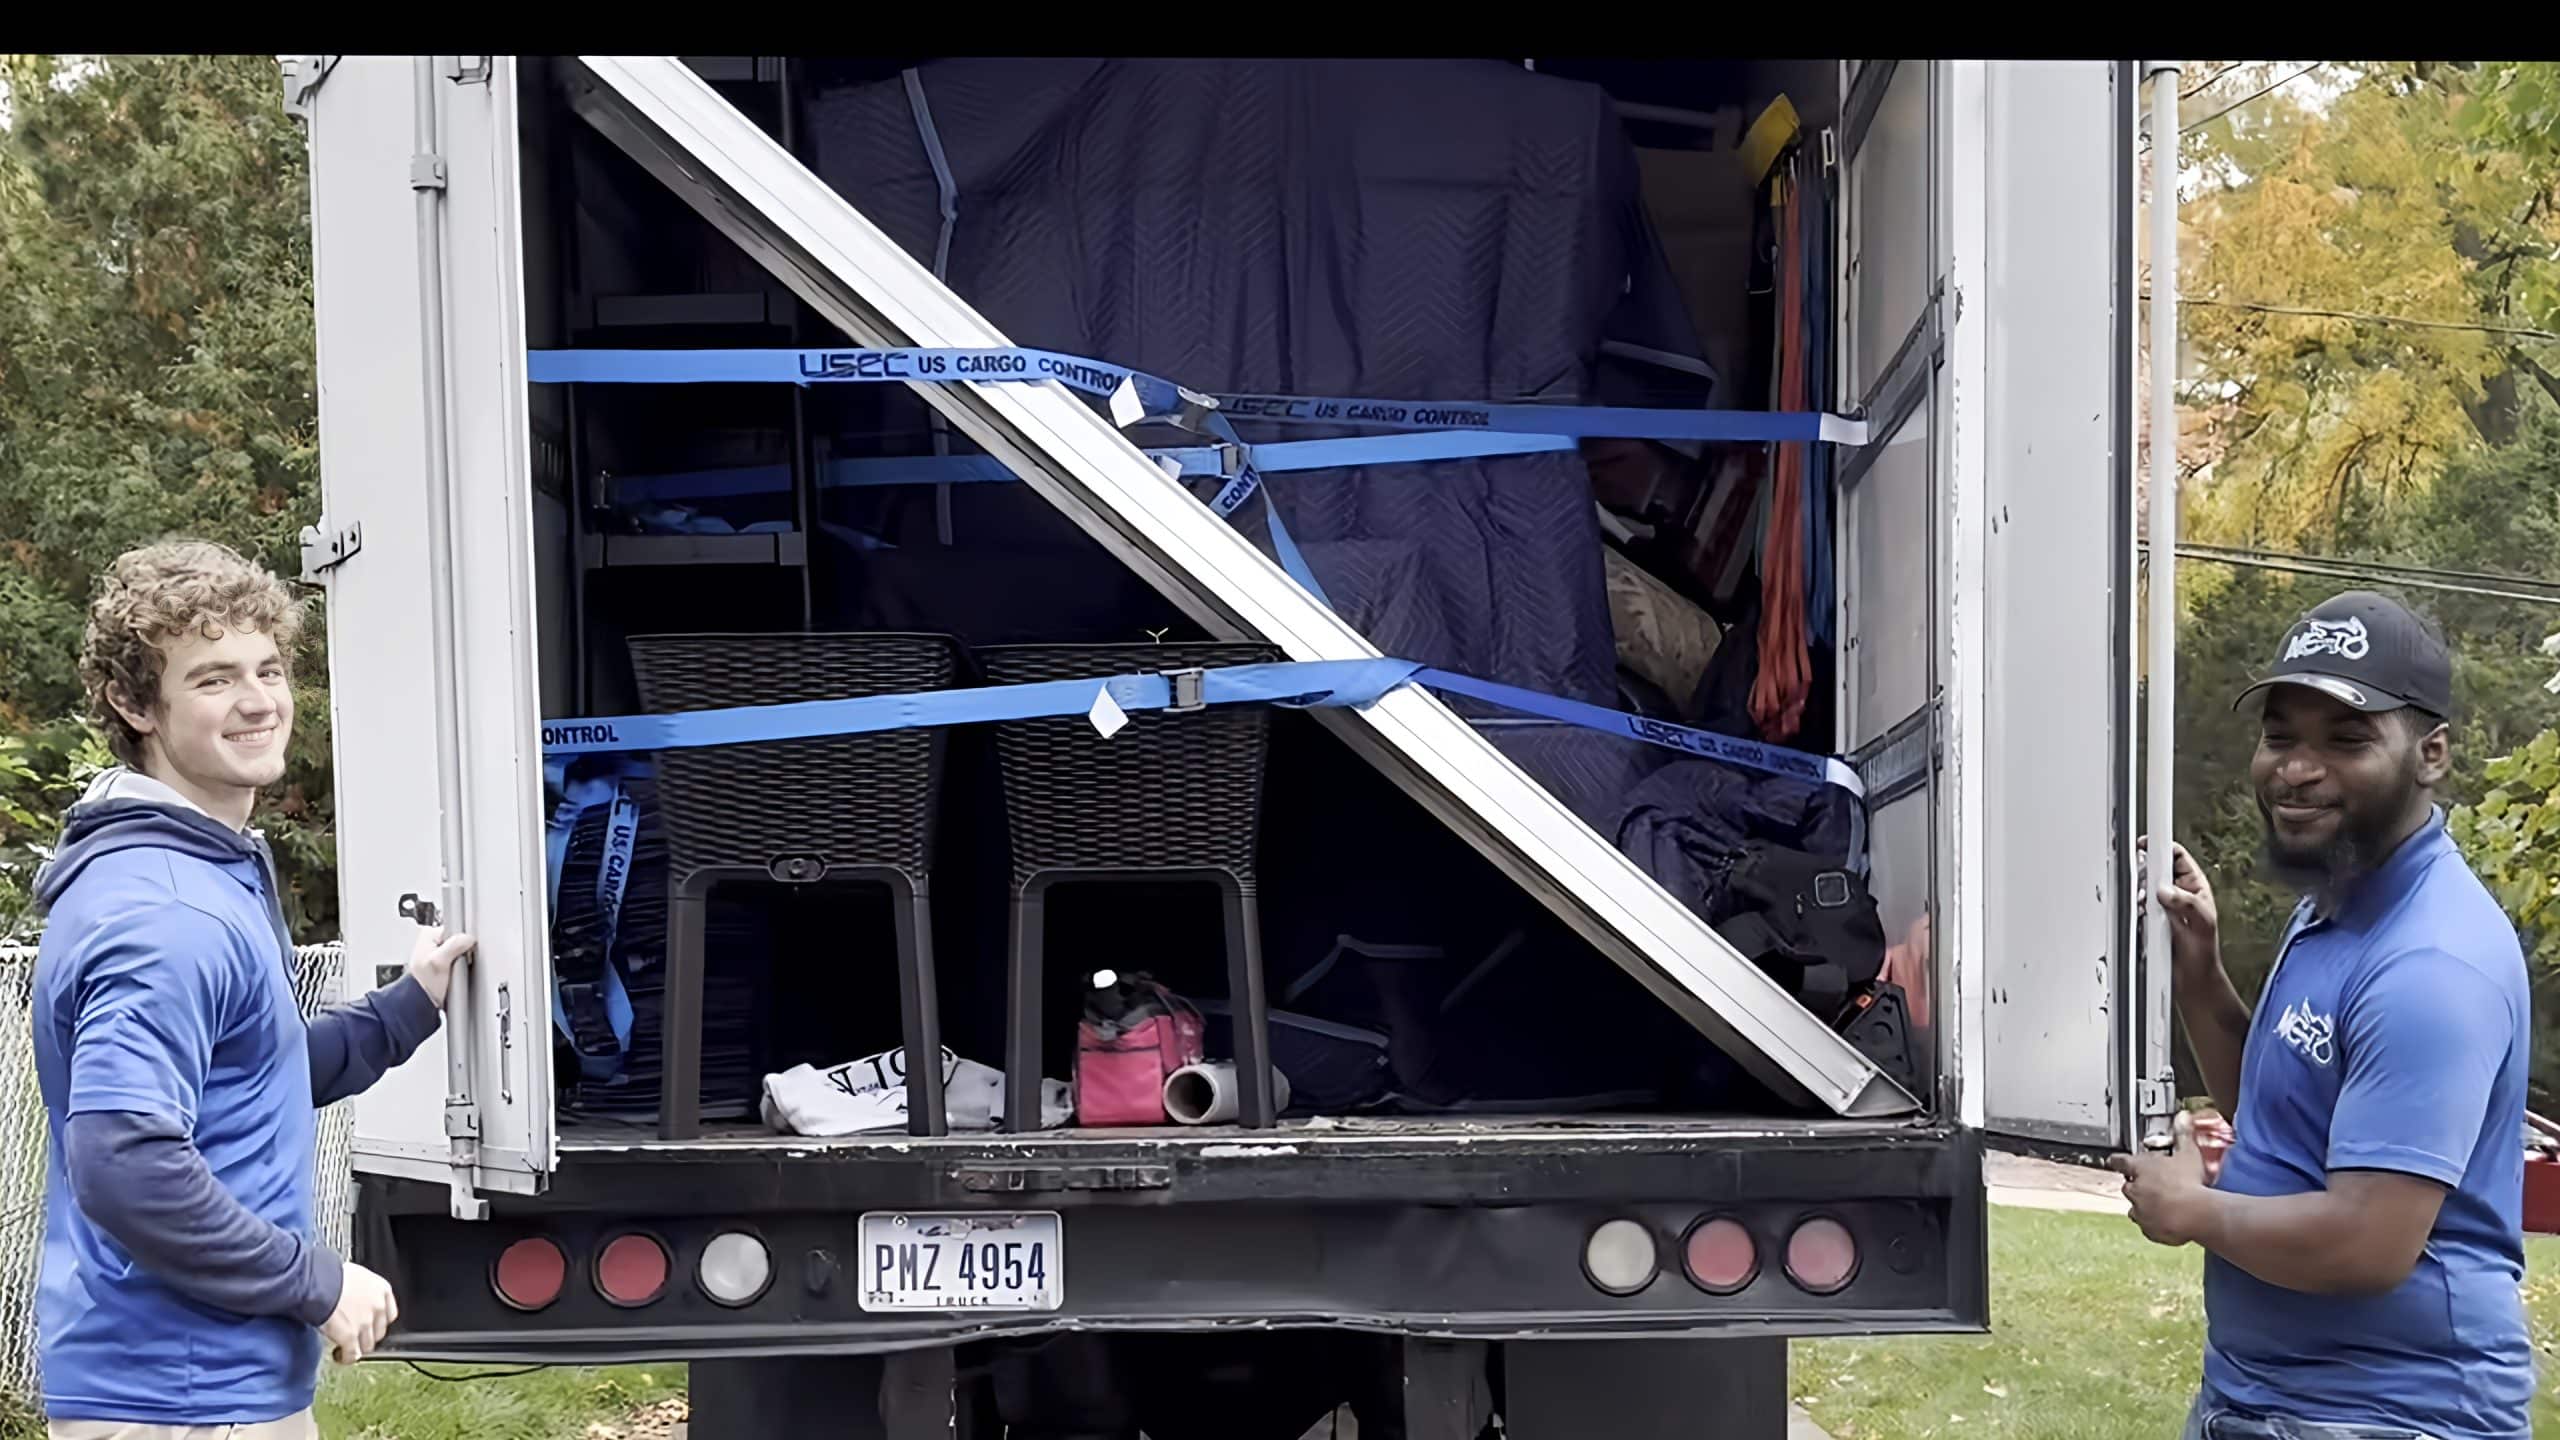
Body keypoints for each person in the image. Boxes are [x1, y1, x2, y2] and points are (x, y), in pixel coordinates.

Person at [30, 540, 475, 1439]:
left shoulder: (203, 871)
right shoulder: (165, 911)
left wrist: (409, 1006)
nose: (258, 701)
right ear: (133, 703)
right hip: (180, 1398)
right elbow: (126, 1162)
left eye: (268, 668)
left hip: (199, 1386)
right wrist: (315, 1280)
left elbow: (251, 1072)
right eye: (212, 678)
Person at [2114, 590, 2532, 1440]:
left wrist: (2189, 1211)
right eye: (2281, 736)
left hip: (2390, 1416)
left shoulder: (2431, 963)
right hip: (2268, 1399)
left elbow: (2369, 1242)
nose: (2298, 769)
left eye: (2346, 740)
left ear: (2432, 754)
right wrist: (2201, 979)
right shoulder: (2340, 900)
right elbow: (2287, 1121)